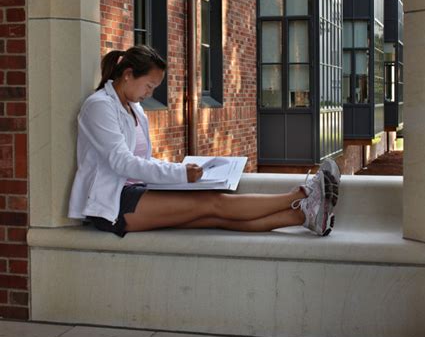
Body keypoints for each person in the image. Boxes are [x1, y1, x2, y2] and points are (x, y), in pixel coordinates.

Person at [68, 45, 341, 238]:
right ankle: (304, 195)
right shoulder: (99, 107)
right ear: (128, 74)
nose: (149, 93)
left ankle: (303, 217)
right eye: (148, 86)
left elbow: (143, 161)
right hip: (113, 204)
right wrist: (179, 173)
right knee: (212, 203)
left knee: (215, 217)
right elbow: (122, 162)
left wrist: (180, 173)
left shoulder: (135, 109)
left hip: (137, 192)